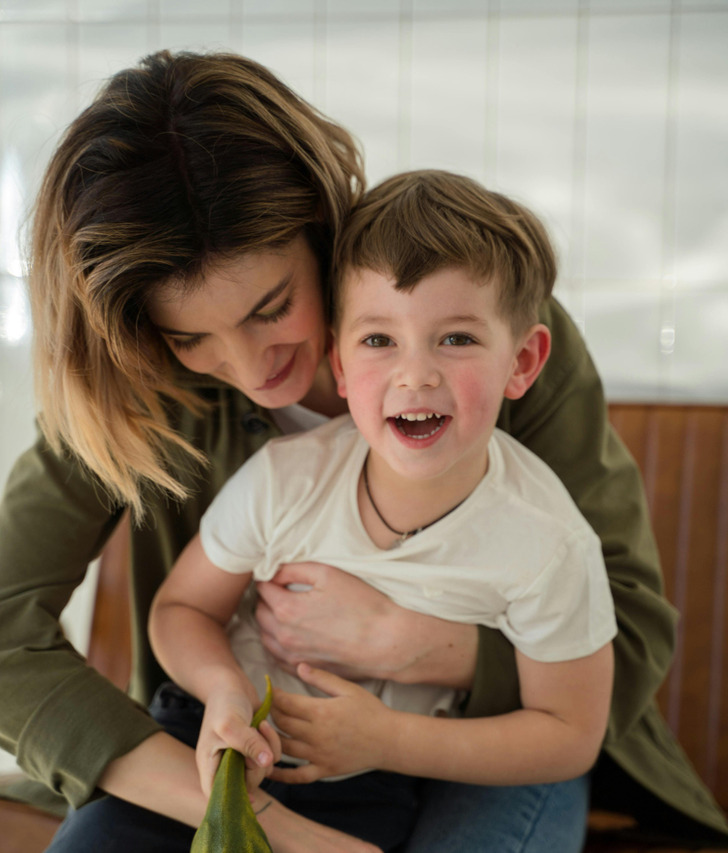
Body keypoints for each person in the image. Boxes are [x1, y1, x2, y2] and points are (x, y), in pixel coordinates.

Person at [0, 47, 724, 852]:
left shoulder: (481, 323)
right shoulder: (137, 381)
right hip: (252, 746)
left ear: (321, 226)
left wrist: (416, 645)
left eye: (272, 307)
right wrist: (269, 821)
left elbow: (620, 643)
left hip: (488, 742)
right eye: (189, 338)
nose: (249, 368)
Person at [148, 169, 618, 853]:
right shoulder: (286, 478)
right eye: (378, 340)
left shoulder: (547, 543)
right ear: (338, 365)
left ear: (523, 360)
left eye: (455, 338)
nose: (415, 373)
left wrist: (390, 739)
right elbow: (181, 608)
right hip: (211, 736)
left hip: (373, 778)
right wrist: (222, 690)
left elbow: (569, 733)